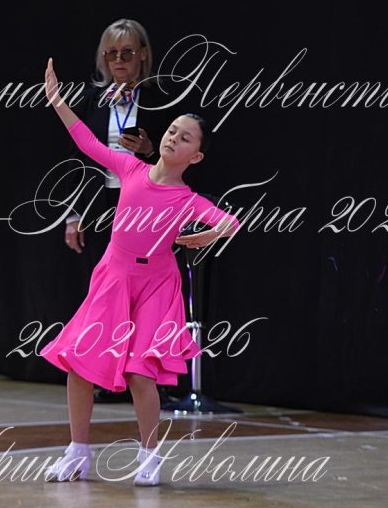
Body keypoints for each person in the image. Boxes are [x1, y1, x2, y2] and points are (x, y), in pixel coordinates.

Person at [40, 57, 241, 486]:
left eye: (185, 137)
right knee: (78, 364)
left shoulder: (188, 199)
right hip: (113, 278)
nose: (173, 138)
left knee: (139, 372)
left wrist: (203, 237)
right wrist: (57, 101)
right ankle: (77, 451)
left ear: (196, 155)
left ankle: (150, 457)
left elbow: (230, 223)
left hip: (156, 285)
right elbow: (86, 140)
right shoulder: (131, 167)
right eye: (172, 131)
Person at [63, 17, 182, 405]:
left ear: (143, 55)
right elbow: (79, 159)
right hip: (103, 206)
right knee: (106, 297)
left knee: (146, 295)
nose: (118, 60)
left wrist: (149, 150)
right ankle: (107, 374)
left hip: (146, 209)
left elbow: (181, 157)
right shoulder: (92, 99)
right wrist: (74, 214)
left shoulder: (161, 98)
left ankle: (151, 379)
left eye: (127, 53)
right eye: (111, 53)